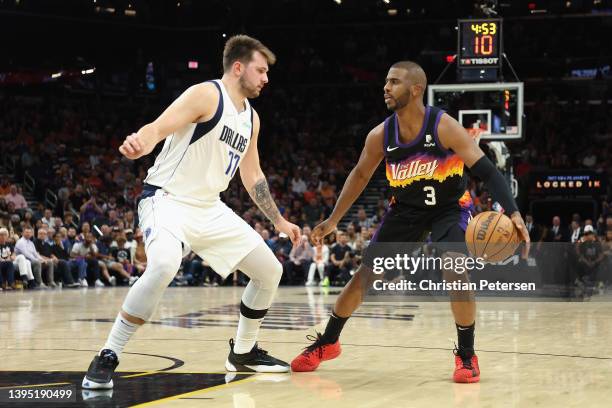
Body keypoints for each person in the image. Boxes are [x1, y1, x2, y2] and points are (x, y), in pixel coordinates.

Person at [83, 35, 300, 390]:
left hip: (209, 208)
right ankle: (108, 353)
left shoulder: (251, 118)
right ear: (239, 67)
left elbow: (253, 173)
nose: (266, 79)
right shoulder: (206, 95)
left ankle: (242, 352)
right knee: (165, 265)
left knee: (269, 271)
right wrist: (141, 142)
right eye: (261, 71)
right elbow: (159, 126)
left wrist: (278, 220)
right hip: (167, 200)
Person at [291, 61, 529, 383]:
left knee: (455, 268)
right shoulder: (380, 135)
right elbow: (360, 175)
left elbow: (486, 171)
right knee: (365, 276)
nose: (386, 88)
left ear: (416, 88)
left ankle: (467, 354)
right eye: (386, 82)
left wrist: (513, 212)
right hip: (405, 210)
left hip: (450, 208)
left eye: (394, 82)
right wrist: (334, 219)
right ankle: (329, 341)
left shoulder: (444, 126)